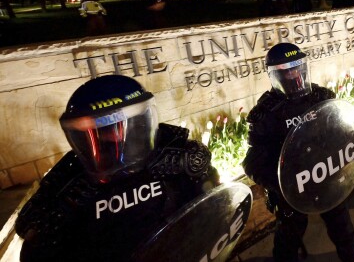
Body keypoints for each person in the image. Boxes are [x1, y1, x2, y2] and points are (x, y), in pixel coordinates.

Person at [15, 75, 219, 262]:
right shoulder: (69, 190)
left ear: (141, 124)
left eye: (120, 131)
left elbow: (213, 208)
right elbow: (35, 245)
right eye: (100, 135)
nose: (114, 142)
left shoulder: (177, 159)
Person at [242, 43, 354, 262]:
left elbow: (339, 131)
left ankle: (351, 257)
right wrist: (281, 185)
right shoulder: (267, 113)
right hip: (292, 187)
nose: (293, 73)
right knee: (289, 237)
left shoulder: (321, 96)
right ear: (275, 74)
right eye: (286, 70)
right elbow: (252, 162)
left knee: (341, 224)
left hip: (326, 175)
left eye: (296, 67)